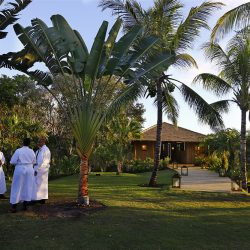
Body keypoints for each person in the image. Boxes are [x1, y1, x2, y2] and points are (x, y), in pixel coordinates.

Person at [9, 138, 36, 212]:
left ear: (22, 142)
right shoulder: (32, 151)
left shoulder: (19, 150)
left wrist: (20, 162)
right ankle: (25, 205)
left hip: (20, 168)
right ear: (29, 143)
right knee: (27, 186)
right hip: (30, 169)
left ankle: (14, 206)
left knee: (17, 186)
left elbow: (12, 161)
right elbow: (34, 161)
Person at [32, 138, 51, 204]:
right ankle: (40, 198)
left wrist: (37, 170)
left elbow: (43, 162)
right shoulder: (39, 150)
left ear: (43, 142)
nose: (38, 143)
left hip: (41, 169)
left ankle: (39, 199)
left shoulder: (45, 150)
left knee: (40, 184)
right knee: (39, 184)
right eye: (38, 142)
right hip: (38, 168)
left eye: (39, 142)